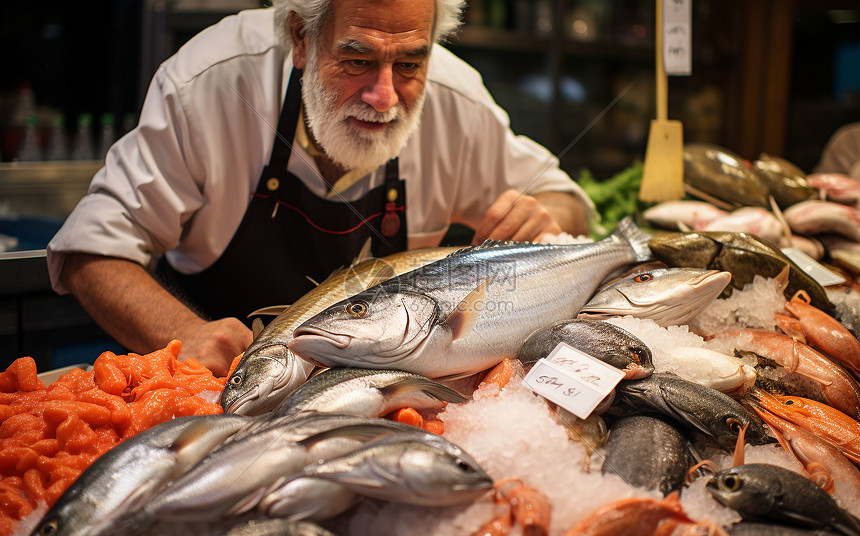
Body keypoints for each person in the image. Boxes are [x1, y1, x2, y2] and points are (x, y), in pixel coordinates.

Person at [47, 0, 594, 377]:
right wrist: (183, 334)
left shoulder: (457, 100)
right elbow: (92, 251)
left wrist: (540, 214)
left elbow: (568, 200)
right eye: (357, 60)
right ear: (301, 39)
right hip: (216, 395)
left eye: (409, 63)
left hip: (384, 401)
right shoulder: (209, 84)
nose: (384, 96)